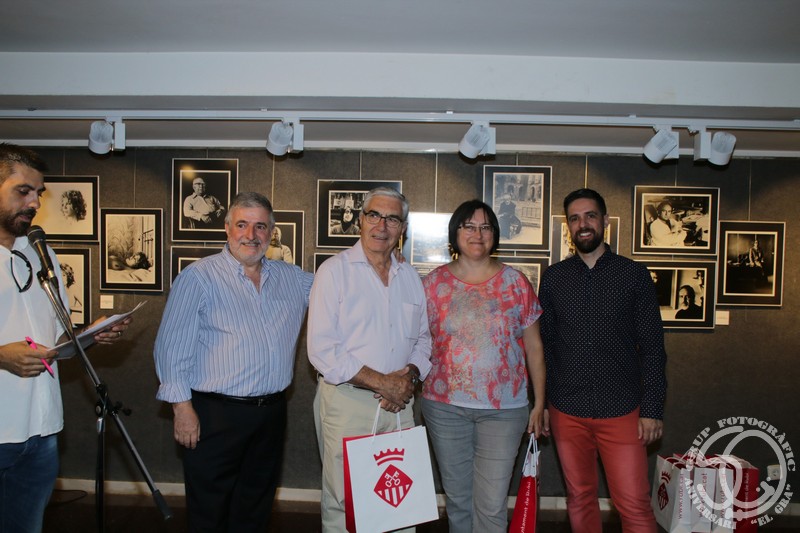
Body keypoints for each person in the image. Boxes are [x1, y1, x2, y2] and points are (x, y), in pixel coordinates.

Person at [154, 191, 313, 532]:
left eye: (260, 227)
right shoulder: (199, 277)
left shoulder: (293, 279)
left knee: (256, 508)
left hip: (271, 414)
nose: (251, 235)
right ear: (227, 228)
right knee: (209, 512)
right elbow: (170, 349)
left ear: (271, 233)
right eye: (242, 225)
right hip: (214, 416)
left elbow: (340, 293)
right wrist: (182, 410)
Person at [0, 143, 130, 533]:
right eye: (23, 191)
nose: (35, 202)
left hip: (41, 430)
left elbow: (55, 337)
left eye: (39, 192)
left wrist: (88, 335)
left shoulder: (41, 253)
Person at [538, 188, 667, 533]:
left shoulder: (634, 274)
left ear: (605, 220)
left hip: (622, 410)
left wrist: (652, 408)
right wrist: (543, 403)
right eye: (575, 218)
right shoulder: (554, 278)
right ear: (568, 226)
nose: (583, 224)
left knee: (634, 505)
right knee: (579, 498)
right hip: (567, 409)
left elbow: (653, 347)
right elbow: (546, 346)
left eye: (590, 215)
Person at [307, 187, 432, 532]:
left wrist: (409, 377)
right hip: (348, 403)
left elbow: (423, 339)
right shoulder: (334, 272)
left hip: (399, 405)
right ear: (361, 220)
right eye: (374, 215)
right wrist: (384, 383)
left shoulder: (410, 277)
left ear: (402, 228)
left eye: (392, 218)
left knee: (400, 502)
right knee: (346, 503)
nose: (382, 225)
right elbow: (322, 349)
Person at [420, 199, 546, 533]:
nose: (478, 234)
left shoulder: (516, 283)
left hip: (504, 410)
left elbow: (534, 347)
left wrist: (540, 403)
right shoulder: (432, 284)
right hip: (444, 408)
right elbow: (417, 341)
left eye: (485, 227)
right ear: (455, 233)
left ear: (495, 234)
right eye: (469, 226)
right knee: (459, 501)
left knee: (491, 505)